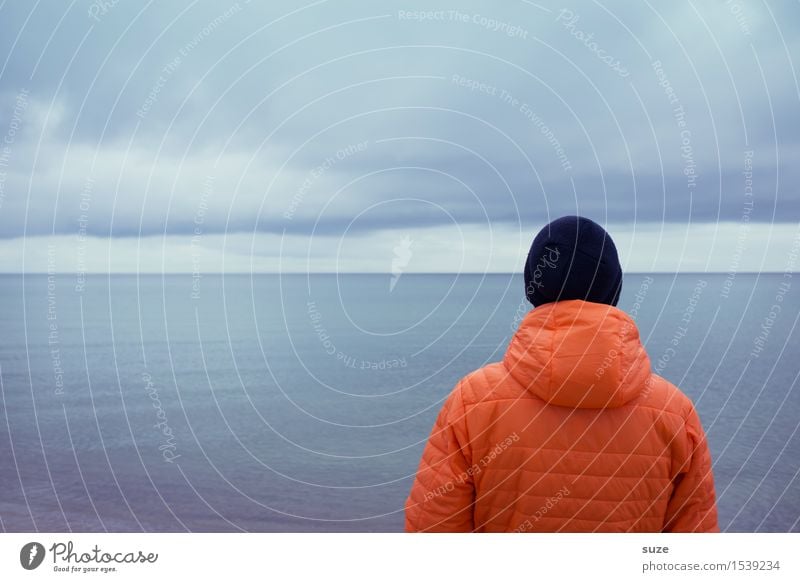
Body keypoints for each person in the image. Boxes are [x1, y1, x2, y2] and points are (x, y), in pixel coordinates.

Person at [405, 215, 718, 532]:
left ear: (533, 287)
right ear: (613, 288)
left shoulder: (473, 401)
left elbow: (432, 529)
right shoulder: (675, 412)